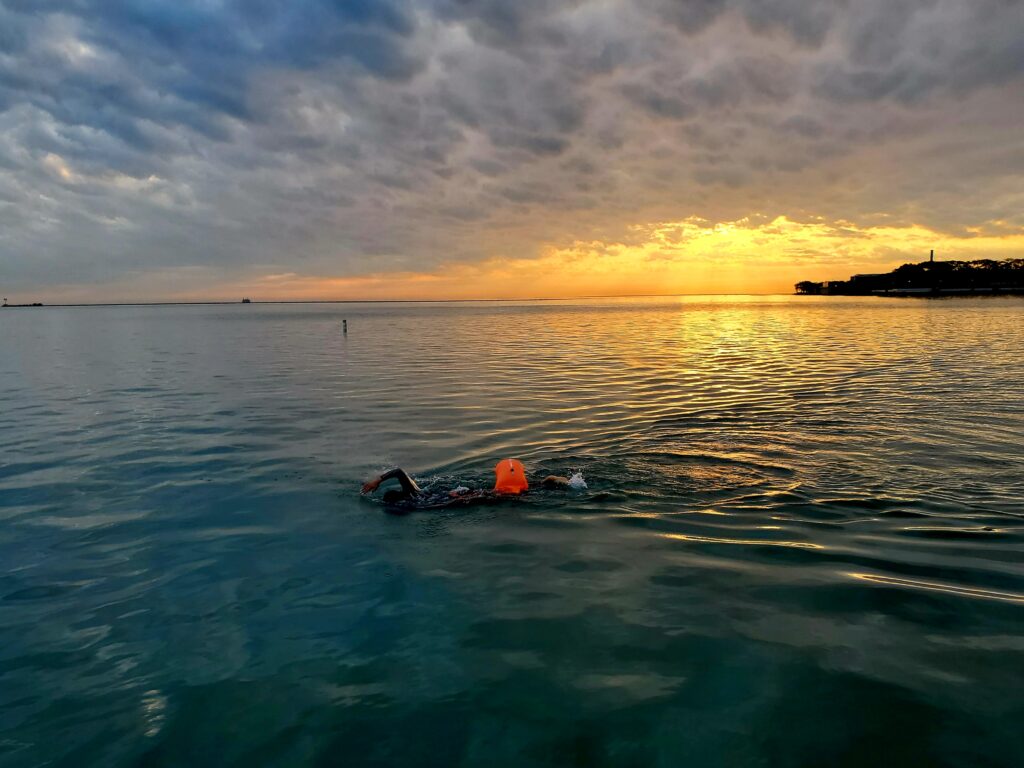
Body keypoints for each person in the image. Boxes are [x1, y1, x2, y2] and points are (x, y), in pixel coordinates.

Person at [361, 458, 570, 510]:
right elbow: (399, 471)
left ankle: (547, 483)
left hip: (466, 496)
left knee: (507, 495)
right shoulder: (416, 491)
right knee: (505, 492)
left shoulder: (415, 501)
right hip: (463, 492)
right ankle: (547, 483)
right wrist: (377, 481)